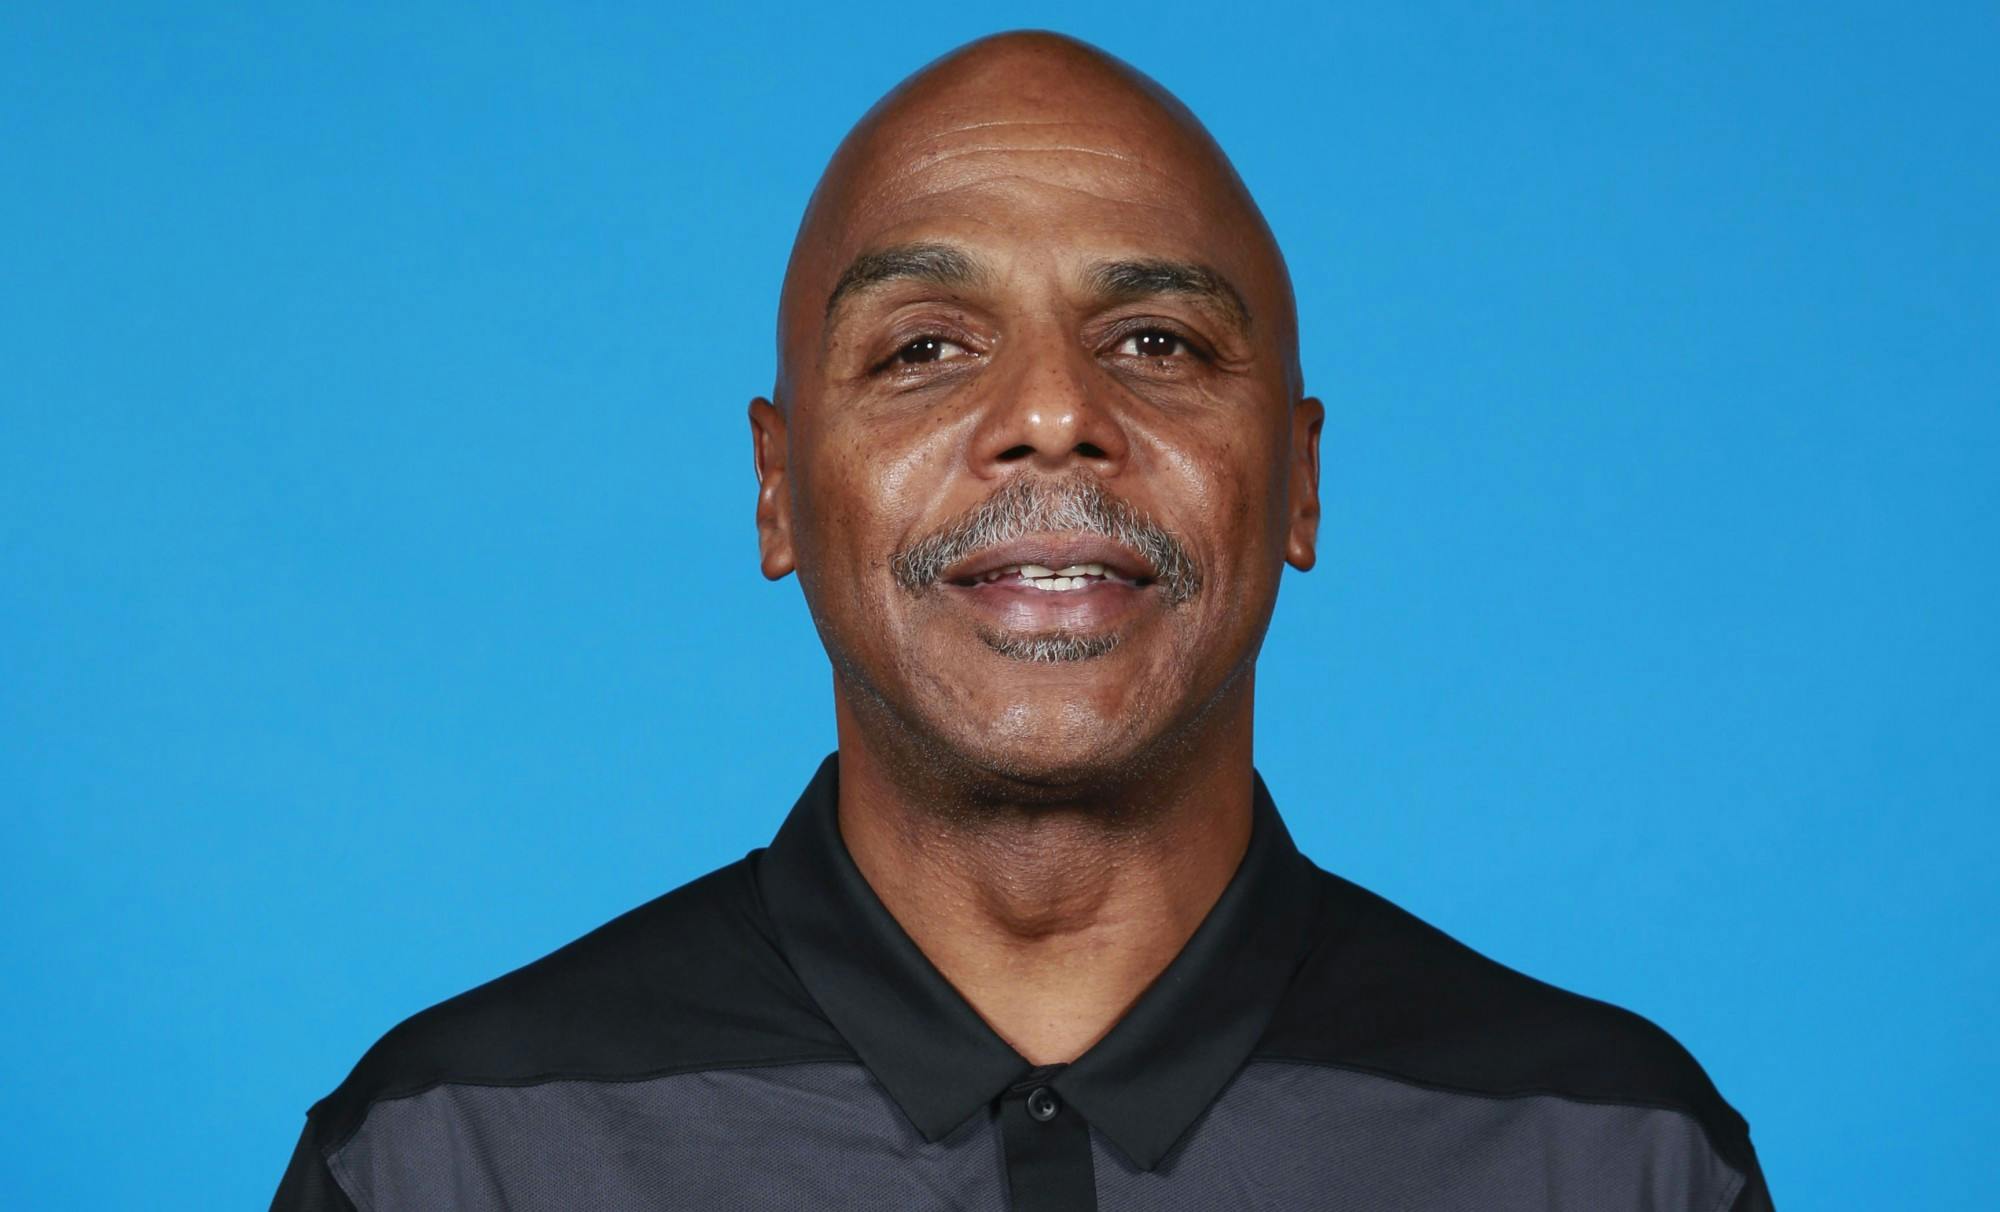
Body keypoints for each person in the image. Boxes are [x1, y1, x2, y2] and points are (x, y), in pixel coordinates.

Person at [272, 30, 1771, 1211]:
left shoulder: (1613, 1158)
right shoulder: (450, 1161)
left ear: (1300, 484)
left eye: (1156, 342)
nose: (1056, 415)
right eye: (925, 346)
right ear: (778, 489)